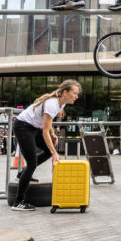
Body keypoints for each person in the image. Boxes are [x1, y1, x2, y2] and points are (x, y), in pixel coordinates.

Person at [11, 80, 81, 211]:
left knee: (47, 151)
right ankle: (18, 202)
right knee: (33, 163)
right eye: (74, 93)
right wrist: (55, 152)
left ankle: (23, 174)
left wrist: (53, 133)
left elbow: (47, 123)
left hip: (33, 127)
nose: (76, 97)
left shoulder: (61, 104)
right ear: (65, 92)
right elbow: (44, 131)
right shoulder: (52, 104)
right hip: (23, 126)